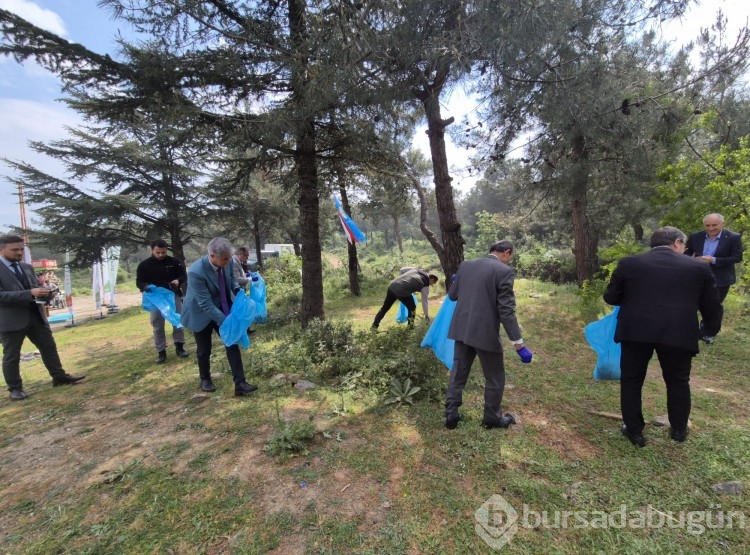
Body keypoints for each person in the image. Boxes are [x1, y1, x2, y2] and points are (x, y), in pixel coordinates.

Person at [604, 227, 721, 447]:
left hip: (635, 332)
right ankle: (678, 430)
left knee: (631, 380)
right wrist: (709, 330)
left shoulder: (629, 263)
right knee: (678, 381)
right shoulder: (698, 267)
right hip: (678, 332)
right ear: (677, 243)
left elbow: (611, 297)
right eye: (684, 245)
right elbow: (712, 305)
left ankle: (634, 431)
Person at [444, 240, 532, 430]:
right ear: (506, 253)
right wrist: (519, 344)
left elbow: (452, 295)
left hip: (461, 329)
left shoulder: (466, 265)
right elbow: (506, 311)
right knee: (495, 377)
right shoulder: (504, 271)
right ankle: (492, 419)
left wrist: (457, 281)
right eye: (510, 257)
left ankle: (451, 415)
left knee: (458, 372)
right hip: (484, 333)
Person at [0, 234, 85, 401]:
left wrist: (46, 293)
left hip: (36, 316)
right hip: (11, 320)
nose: (19, 253)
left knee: (48, 347)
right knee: (12, 355)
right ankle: (15, 389)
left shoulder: (27, 267)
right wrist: (28, 293)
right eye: (14, 250)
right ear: (1, 249)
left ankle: (59, 377)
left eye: (21, 249)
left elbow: (36, 287)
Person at [180, 237, 258, 396]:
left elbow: (232, 281)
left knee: (232, 342)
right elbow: (205, 304)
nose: (228, 261)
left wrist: (237, 290)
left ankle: (240, 384)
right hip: (200, 312)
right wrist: (226, 321)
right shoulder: (196, 272)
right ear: (212, 256)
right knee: (204, 348)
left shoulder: (227, 262)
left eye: (229, 258)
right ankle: (205, 379)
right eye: (224, 259)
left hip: (222, 305)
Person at [684, 213, 743, 343]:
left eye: (714, 225)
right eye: (707, 225)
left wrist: (713, 260)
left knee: (713, 306)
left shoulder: (733, 237)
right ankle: (691, 330)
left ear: (722, 223)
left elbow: (737, 257)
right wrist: (693, 260)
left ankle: (708, 333)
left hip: (721, 278)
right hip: (696, 276)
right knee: (692, 303)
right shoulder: (695, 237)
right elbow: (686, 253)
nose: (711, 228)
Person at [136, 239, 189, 364]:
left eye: (163, 252)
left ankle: (180, 347)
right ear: (152, 250)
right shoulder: (144, 265)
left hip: (173, 295)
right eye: (158, 252)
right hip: (156, 300)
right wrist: (145, 287)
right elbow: (139, 282)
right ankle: (161, 352)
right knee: (157, 325)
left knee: (178, 321)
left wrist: (178, 281)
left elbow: (183, 276)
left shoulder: (174, 262)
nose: (160, 255)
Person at [371, 268, 439, 329]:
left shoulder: (417, 270)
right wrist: (426, 316)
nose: (431, 285)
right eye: (432, 283)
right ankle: (410, 327)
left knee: (385, 308)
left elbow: (402, 270)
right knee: (412, 307)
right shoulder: (425, 284)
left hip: (393, 285)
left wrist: (403, 281)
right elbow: (425, 302)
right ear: (432, 279)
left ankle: (374, 326)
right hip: (403, 290)